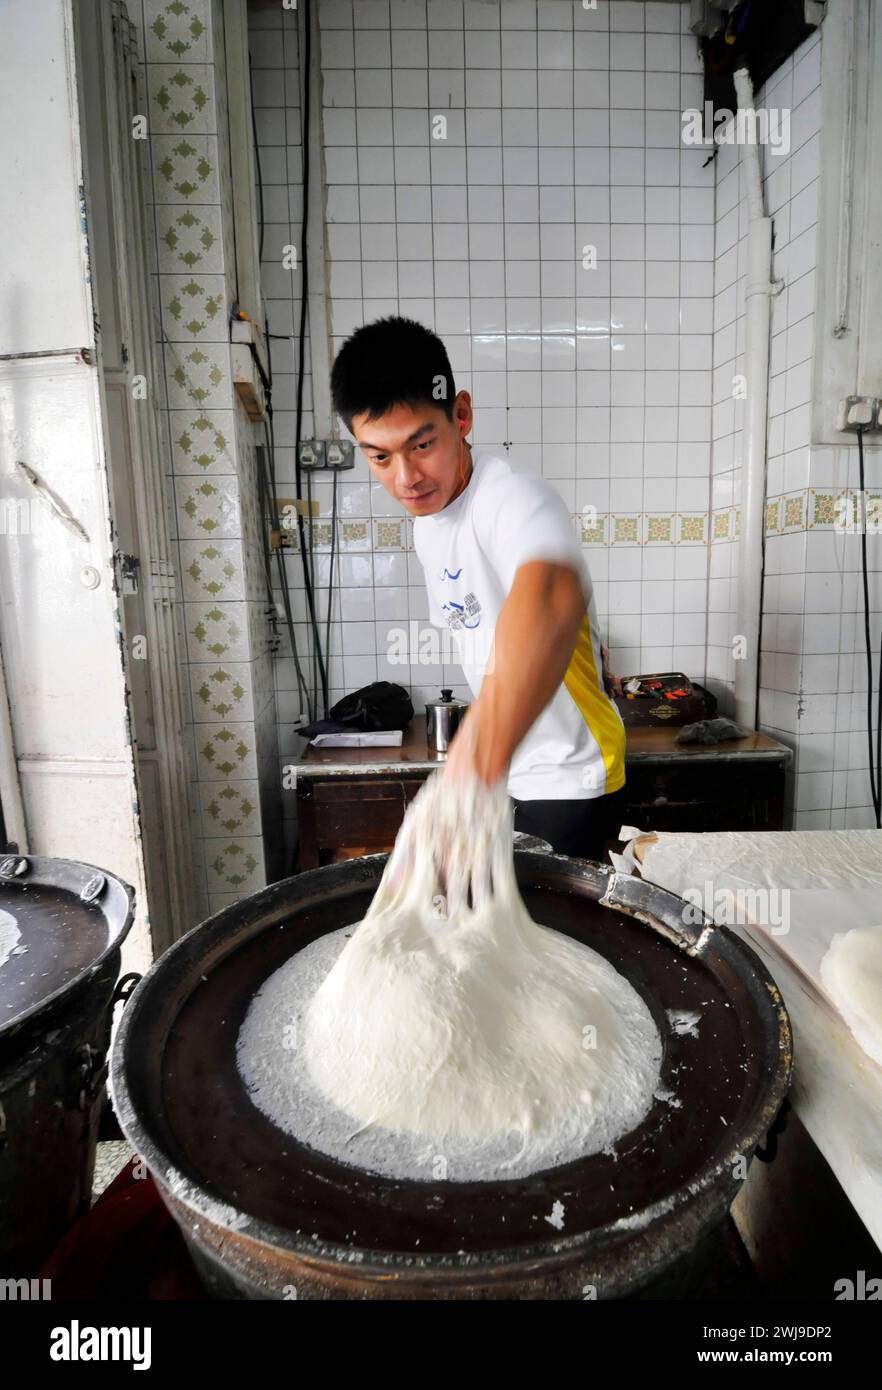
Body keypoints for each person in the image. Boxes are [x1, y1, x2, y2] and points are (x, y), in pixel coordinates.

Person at [329, 316, 626, 861]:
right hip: (508, 777)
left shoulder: (512, 497)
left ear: (460, 415)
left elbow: (549, 597)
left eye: (422, 444)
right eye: (379, 456)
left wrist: (468, 767)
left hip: (569, 777)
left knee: (557, 943)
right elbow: (490, 642)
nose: (406, 478)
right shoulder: (429, 525)